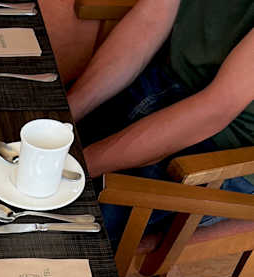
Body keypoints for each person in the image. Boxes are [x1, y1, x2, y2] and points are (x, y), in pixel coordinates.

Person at [67, 0, 254, 246]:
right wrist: (65, 116)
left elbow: (216, 108)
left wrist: (75, 166)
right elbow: (149, 19)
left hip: (225, 145)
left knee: (68, 221)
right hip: (165, 82)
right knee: (26, 133)